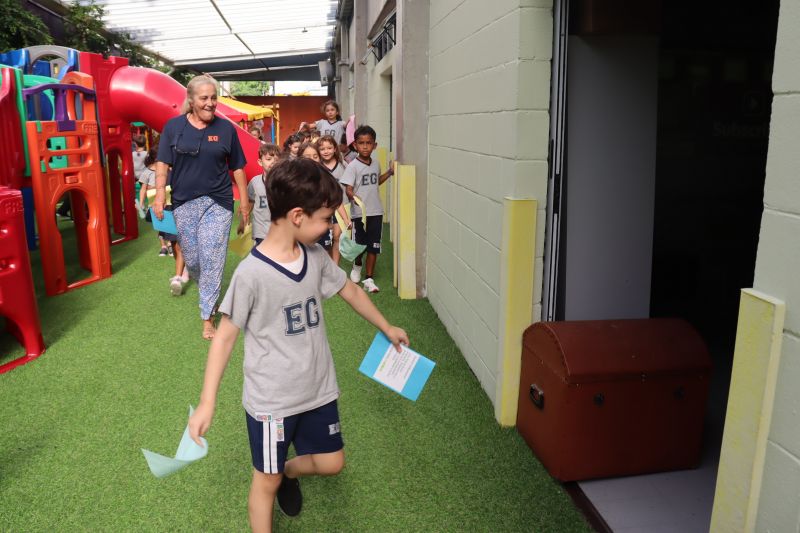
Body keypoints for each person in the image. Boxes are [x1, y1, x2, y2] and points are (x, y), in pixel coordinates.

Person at [187, 157, 409, 533]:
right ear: (297, 216)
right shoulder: (251, 274)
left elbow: (351, 291)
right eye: (326, 218)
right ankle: (277, 477)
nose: (330, 226)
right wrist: (207, 402)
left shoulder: (316, 257)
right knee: (265, 482)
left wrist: (386, 326)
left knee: (332, 462)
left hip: (318, 390)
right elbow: (224, 339)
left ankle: (288, 471)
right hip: (271, 403)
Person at [153, 74, 250, 340]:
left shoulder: (226, 129)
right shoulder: (173, 127)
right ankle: (207, 289)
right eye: (204, 98)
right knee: (194, 260)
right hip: (184, 202)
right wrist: (160, 195)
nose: (210, 103)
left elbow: (238, 167)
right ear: (191, 100)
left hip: (218, 202)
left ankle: (207, 316)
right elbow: (162, 162)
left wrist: (244, 204)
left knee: (212, 257)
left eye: (214, 98)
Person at [338, 125, 393, 293]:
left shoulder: (376, 164)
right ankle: (357, 264)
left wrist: (390, 172)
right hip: (358, 214)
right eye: (361, 143)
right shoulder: (353, 166)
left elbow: (376, 181)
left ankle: (369, 279)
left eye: (368, 143)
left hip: (376, 212)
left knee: (373, 246)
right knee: (360, 246)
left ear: (374, 145)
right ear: (355, 145)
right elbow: (348, 188)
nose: (365, 146)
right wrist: (353, 196)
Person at [240, 143, 281, 246]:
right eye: (268, 159)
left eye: (276, 160)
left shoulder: (284, 182)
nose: (273, 162)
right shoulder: (255, 182)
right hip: (261, 232)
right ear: (260, 162)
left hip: (280, 231)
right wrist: (243, 222)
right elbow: (250, 201)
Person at [318, 135, 351, 264]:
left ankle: (335, 267)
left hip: (341, 205)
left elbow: (349, 184)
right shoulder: (318, 167)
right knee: (325, 240)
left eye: (329, 148)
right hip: (324, 208)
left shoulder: (343, 165)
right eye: (322, 149)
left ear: (335, 149)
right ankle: (327, 265)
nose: (326, 151)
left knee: (337, 236)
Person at [138, 148, 172, 256]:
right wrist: (141, 203)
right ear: (157, 158)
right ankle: (163, 246)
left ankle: (170, 243)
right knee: (160, 224)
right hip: (154, 204)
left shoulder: (167, 169)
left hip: (168, 201)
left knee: (169, 222)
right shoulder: (147, 173)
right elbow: (143, 189)